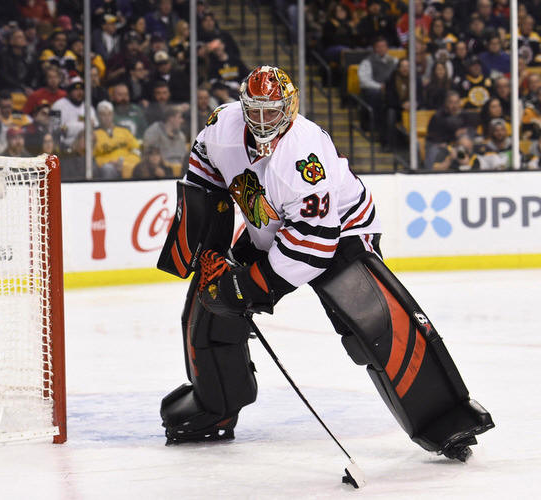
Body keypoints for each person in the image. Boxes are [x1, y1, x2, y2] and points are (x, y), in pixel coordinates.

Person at [157, 66, 493, 461]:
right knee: (211, 303)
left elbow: (313, 245)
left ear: (290, 107)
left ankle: (445, 418)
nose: (263, 120)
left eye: (272, 111)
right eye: (255, 111)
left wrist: (248, 286)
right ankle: (215, 406)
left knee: (374, 323)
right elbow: (203, 166)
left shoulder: (303, 156)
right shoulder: (223, 125)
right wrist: (207, 242)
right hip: (272, 224)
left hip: (341, 230)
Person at [93, 100, 141, 179]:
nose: (107, 117)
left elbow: (136, 149)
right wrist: (109, 162)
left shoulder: (124, 131)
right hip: (109, 166)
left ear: (113, 115)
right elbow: (93, 158)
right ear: (98, 116)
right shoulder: (93, 134)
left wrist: (125, 162)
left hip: (127, 163)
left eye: (109, 114)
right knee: (107, 169)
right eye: (103, 114)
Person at [142, 105, 187, 174]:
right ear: (171, 118)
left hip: (180, 171)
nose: (182, 121)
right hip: (160, 170)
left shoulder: (181, 136)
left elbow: (184, 158)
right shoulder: (153, 131)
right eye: (179, 117)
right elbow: (149, 153)